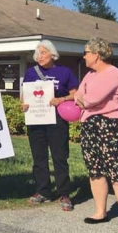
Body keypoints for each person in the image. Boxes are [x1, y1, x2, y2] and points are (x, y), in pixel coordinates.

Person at [75, 37, 118, 233]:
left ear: (96, 54)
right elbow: (80, 95)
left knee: (117, 174)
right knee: (95, 170)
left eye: (86, 52)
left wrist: (84, 101)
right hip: (90, 127)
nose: (84, 56)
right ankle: (100, 212)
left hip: (111, 128)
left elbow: (90, 99)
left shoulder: (114, 73)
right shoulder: (89, 75)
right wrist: (83, 101)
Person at [21, 40, 78, 211]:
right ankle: (43, 191)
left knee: (60, 157)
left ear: (53, 54)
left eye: (43, 52)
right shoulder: (31, 72)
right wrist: (24, 105)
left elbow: (76, 93)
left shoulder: (64, 72)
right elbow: (24, 96)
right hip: (36, 120)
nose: (39, 56)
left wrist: (62, 99)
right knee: (39, 158)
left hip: (57, 121)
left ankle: (64, 193)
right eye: (37, 53)